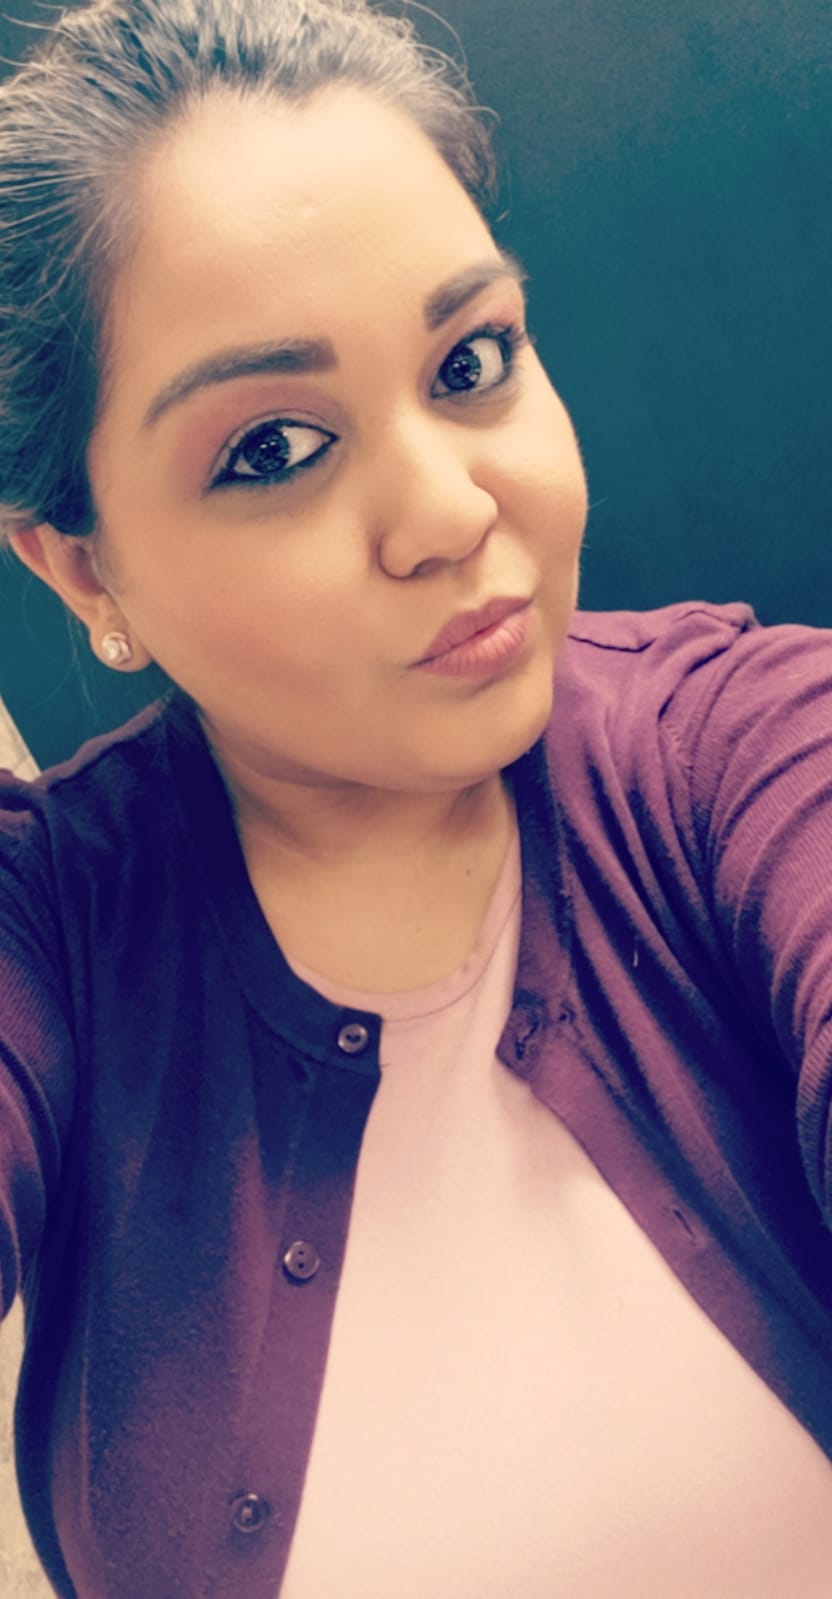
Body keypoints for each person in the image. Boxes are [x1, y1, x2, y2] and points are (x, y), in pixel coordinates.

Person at [0, 0, 831, 1593]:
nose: (449, 511)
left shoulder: (741, 747)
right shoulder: (51, 933)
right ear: (84, 570)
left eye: (472, 362)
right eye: (273, 448)